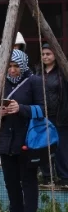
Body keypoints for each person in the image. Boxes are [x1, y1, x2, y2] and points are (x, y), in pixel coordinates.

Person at [0, 50, 45, 212]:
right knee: (10, 180)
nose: (12, 70)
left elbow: (44, 108)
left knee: (28, 179)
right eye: (9, 66)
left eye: (16, 66)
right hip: (7, 139)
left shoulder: (34, 81)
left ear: (23, 66)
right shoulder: (3, 83)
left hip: (28, 139)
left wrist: (21, 108)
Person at [37, 44, 68, 186]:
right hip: (43, 115)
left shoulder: (62, 73)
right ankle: (47, 176)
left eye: (48, 54)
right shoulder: (39, 72)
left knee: (61, 147)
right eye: (43, 54)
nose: (45, 57)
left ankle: (64, 177)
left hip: (59, 115)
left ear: (55, 55)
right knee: (44, 145)